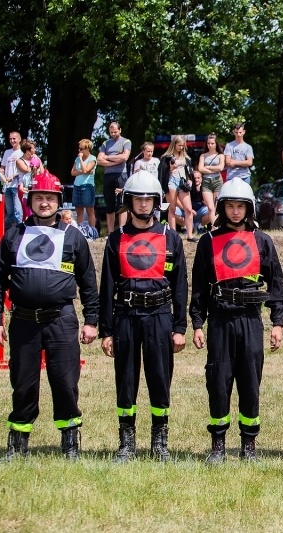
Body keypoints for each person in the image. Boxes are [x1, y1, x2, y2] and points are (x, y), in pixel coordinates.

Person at [0, 171, 98, 461]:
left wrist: (91, 321)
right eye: (39, 198)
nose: (45, 203)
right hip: (23, 321)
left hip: (61, 320)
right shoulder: (14, 235)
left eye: (50, 198)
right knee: (23, 382)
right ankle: (18, 440)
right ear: (30, 201)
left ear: (59, 201)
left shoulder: (73, 237)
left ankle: (70, 440)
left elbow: (88, 281)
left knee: (65, 381)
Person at [190, 178, 283, 464]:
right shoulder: (208, 241)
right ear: (222, 208)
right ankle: (218, 444)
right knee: (218, 381)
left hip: (251, 319)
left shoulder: (262, 241)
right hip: (220, 319)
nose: (235, 212)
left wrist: (278, 322)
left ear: (249, 209)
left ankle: (249, 444)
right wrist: (197, 323)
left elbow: (277, 284)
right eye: (230, 206)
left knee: (250, 382)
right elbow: (198, 286)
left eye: (240, 206)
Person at [98, 170, 188, 463]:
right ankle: (127, 441)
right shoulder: (116, 239)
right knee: (125, 380)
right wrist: (107, 331)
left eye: (149, 199)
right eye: (138, 199)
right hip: (125, 315)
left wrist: (179, 327)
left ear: (157, 202)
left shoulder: (171, 238)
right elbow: (106, 287)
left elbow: (180, 286)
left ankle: (159, 441)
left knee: (160, 379)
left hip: (160, 315)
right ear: (129, 201)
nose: (143, 204)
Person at [159, 135, 197, 242]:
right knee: (172, 209)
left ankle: (189, 235)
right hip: (171, 182)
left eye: (182, 145)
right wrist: (171, 168)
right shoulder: (166, 157)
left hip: (182, 182)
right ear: (174, 145)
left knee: (188, 209)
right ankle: (173, 235)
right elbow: (163, 173)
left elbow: (190, 171)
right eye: (179, 145)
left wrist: (190, 179)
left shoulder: (186, 158)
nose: (181, 147)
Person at [97, 122, 132, 234]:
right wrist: (114, 161)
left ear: (120, 130)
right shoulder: (105, 143)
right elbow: (99, 160)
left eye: (115, 132)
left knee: (122, 203)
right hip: (108, 175)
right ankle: (110, 232)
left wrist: (107, 157)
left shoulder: (126, 142)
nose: (113, 134)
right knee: (109, 204)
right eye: (111, 132)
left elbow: (125, 157)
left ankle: (122, 230)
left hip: (121, 175)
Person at [197, 133, 225, 227]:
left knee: (217, 206)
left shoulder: (220, 155)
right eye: (208, 143)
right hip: (206, 182)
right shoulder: (203, 156)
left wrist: (207, 167)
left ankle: (216, 227)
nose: (210, 145)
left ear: (216, 144)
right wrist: (214, 169)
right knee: (210, 207)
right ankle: (214, 226)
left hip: (217, 181)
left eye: (212, 143)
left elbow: (221, 168)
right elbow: (200, 169)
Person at [15, 139, 44, 221]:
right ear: (27, 151)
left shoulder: (36, 159)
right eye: (33, 148)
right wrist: (34, 164)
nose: (35, 150)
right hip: (23, 187)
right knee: (25, 212)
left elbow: (42, 172)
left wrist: (39, 161)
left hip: (36, 187)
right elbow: (28, 171)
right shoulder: (19, 161)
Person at [71, 139, 97, 226]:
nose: (79, 151)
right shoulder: (77, 159)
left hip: (87, 186)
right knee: (79, 211)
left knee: (90, 211)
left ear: (87, 149)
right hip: (77, 185)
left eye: (81, 149)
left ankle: (92, 231)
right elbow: (72, 172)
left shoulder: (92, 159)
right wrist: (83, 171)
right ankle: (80, 231)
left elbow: (86, 169)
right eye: (79, 148)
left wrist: (81, 160)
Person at [0, 132, 23, 228]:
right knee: (9, 212)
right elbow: (3, 167)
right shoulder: (7, 152)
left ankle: (20, 233)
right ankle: (9, 234)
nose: (12, 141)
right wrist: (0, 172)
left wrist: (13, 176)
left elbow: (24, 169)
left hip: (17, 185)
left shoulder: (22, 152)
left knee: (18, 211)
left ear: (19, 139)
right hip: (7, 186)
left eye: (14, 138)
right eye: (10, 139)